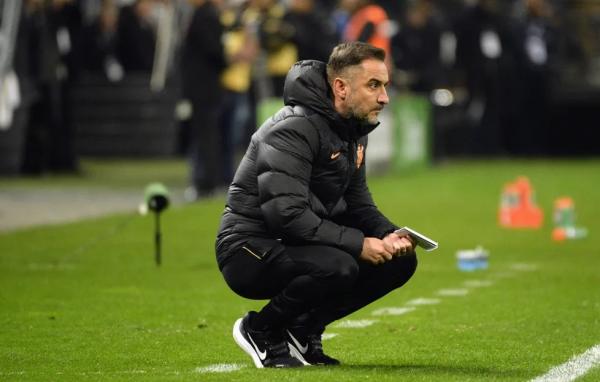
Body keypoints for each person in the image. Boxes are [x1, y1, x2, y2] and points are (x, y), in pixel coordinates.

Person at [215, 42, 418, 368]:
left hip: (294, 243)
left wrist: (391, 234)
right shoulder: (294, 128)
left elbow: (358, 203)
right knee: (338, 264)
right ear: (340, 87)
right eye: (373, 85)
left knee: (398, 262)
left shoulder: (352, 130)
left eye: (385, 86)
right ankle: (260, 329)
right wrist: (359, 243)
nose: (384, 97)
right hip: (247, 250)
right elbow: (285, 214)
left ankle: (302, 330)